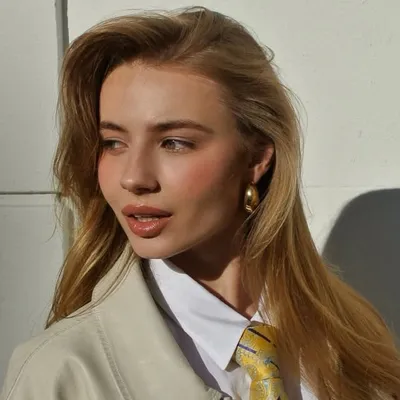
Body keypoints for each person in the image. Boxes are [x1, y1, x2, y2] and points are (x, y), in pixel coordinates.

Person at [1, 6, 399, 400]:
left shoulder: (354, 338)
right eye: (114, 143)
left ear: (257, 158)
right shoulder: (60, 375)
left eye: (174, 142)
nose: (133, 178)